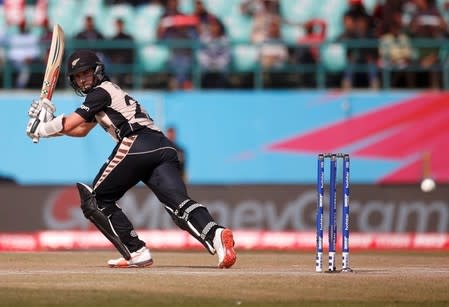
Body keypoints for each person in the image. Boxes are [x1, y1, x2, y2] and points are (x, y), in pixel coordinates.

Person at [26, 50, 237, 269]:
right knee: (178, 206)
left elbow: (69, 123)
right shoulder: (107, 95)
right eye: (77, 77)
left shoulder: (100, 93)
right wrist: (47, 124)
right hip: (163, 146)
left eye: (85, 73)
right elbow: (79, 130)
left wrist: (41, 128)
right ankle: (216, 234)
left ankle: (135, 250)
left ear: (97, 70)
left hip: (137, 142)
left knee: (96, 200)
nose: (81, 79)